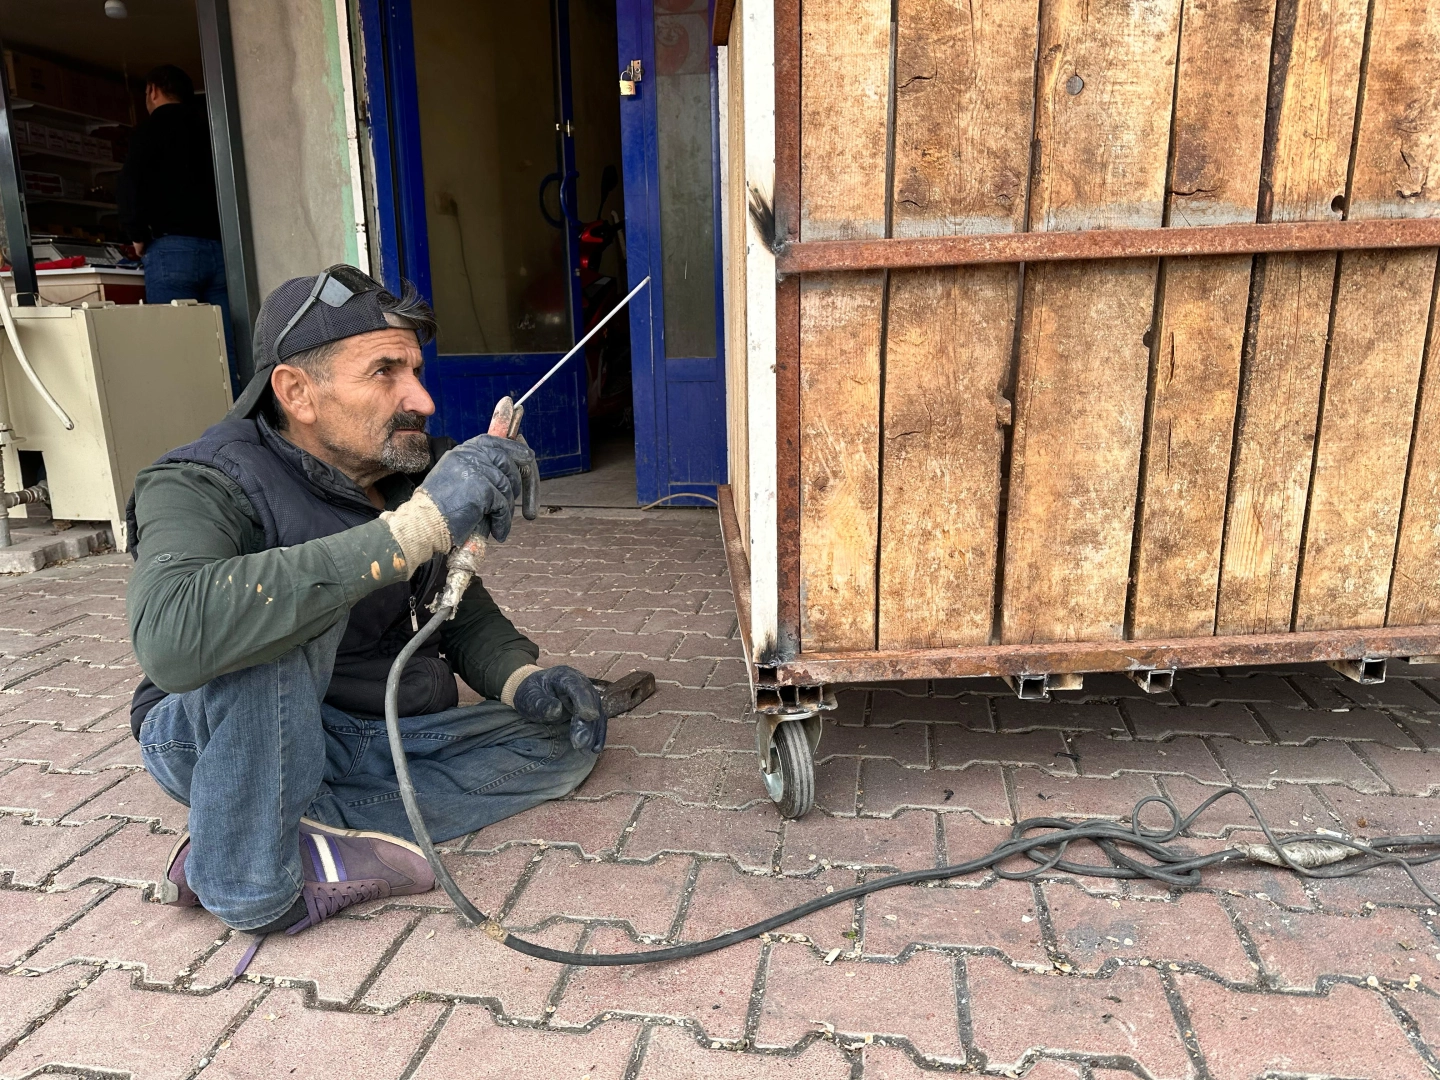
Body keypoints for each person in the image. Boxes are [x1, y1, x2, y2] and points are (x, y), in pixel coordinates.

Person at [126, 266, 604, 973]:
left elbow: (454, 612)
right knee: (285, 606)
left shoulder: (403, 473)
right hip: (216, 730)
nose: (422, 400)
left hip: (358, 735)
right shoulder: (202, 481)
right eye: (385, 372)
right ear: (296, 392)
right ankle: (252, 886)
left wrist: (523, 680)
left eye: (415, 370)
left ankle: (270, 827)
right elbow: (171, 636)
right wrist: (414, 531)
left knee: (570, 738)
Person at [116, 64, 235, 363]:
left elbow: (130, 185)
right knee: (226, 348)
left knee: (177, 351)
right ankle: (238, 396)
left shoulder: (148, 131)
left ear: (153, 90)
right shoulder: (210, 128)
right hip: (220, 248)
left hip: (171, 249)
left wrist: (137, 235)